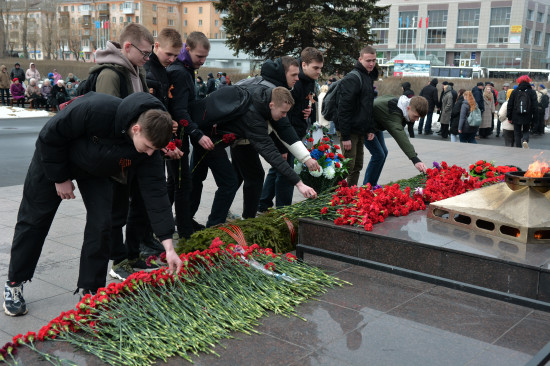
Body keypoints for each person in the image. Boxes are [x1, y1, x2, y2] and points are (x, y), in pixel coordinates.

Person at [3, 92, 182, 317]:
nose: (149, 153)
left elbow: (156, 194)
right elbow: (49, 136)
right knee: (34, 220)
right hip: (53, 158)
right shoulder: (97, 109)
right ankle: (14, 282)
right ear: (136, 128)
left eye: (154, 150)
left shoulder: (150, 148)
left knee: (103, 223)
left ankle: (91, 289)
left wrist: (168, 246)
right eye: (147, 146)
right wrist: (60, 178)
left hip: (96, 168)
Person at [91, 23, 159, 281]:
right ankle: (117, 260)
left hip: (135, 150)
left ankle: (132, 255)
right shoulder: (110, 74)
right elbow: (109, 119)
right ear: (127, 47)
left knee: (137, 204)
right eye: (144, 53)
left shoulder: (137, 70)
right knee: (116, 212)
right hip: (117, 154)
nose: (147, 58)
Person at [197, 86, 318, 202]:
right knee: (227, 183)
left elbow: (281, 133)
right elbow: (270, 152)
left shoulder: (263, 98)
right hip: (206, 137)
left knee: (250, 177)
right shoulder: (254, 117)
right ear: (272, 105)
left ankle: (246, 218)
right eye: (283, 112)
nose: (284, 116)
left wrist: (305, 159)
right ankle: (213, 222)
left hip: (214, 138)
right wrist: (299, 184)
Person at [167, 32, 225, 231]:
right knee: (181, 185)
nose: (203, 61)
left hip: (179, 133)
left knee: (176, 183)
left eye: (205, 57)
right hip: (178, 136)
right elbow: (180, 110)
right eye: (200, 56)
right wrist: (197, 134)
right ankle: (182, 230)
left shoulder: (186, 68)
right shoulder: (181, 72)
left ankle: (169, 225)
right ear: (188, 49)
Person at [258, 47, 324, 210]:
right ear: (304, 65)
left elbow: (310, 102)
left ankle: (263, 203)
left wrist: (309, 110)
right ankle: (283, 208)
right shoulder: (295, 83)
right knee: (286, 174)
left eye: (320, 68)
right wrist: (282, 146)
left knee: (277, 170)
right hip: (287, 137)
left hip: (296, 134)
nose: (319, 72)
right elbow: (282, 118)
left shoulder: (310, 82)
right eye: (315, 68)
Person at [362, 95, 428, 187]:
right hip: (364, 123)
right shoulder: (394, 112)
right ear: (408, 108)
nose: (416, 120)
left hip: (374, 124)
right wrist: (415, 159)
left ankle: (372, 184)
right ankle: (367, 187)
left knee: (383, 152)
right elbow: (399, 134)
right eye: (416, 116)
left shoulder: (402, 106)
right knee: (379, 155)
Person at [335, 45, 377, 187]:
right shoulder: (353, 78)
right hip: (349, 130)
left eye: (374, 60)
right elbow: (344, 109)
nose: (371, 63)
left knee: (357, 165)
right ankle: (334, 194)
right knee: (347, 167)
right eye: (368, 60)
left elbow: (368, 106)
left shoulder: (367, 77)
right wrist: (345, 136)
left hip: (359, 130)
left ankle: (350, 194)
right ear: (360, 59)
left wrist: (370, 128)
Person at [507, 75, 537, 149]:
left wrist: (509, 117)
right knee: (526, 130)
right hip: (528, 115)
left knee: (517, 132)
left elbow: (510, 105)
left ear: (519, 82)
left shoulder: (515, 91)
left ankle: (518, 147)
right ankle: (525, 140)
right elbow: (535, 106)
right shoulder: (532, 92)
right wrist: (535, 118)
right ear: (528, 81)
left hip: (516, 115)